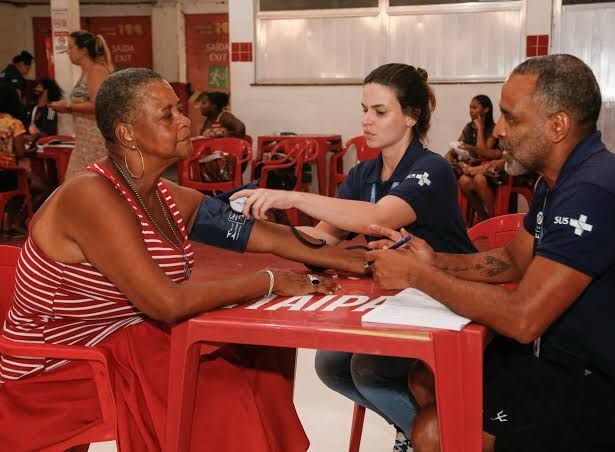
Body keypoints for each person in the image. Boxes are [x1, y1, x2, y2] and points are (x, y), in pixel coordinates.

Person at [0, 68, 369, 451]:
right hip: (59, 364)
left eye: (179, 110)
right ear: (127, 133)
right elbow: (166, 303)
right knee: (219, 388)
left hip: (121, 339)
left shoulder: (163, 194)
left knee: (258, 361)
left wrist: (351, 260)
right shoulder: (91, 196)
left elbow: (259, 235)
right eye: (167, 114)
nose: (183, 121)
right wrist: (269, 282)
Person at [367, 54, 615, 452]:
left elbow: (523, 318)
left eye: (511, 118)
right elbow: (515, 260)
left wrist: (418, 277)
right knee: (425, 378)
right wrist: (433, 260)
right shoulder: (562, 179)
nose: (497, 131)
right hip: (570, 360)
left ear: (557, 126)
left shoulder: (594, 191)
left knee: (435, 431)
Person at [232, 63, 475, 452]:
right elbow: (321, 238)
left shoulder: (431, 169)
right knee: (329, 365)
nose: (366, 120)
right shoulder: (363, 174)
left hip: (451, 297)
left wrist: (292, 196)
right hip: (404, 298)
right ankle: (414, 429)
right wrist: (253, 228)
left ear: (411, 116)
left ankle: (437, 440)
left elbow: (379, 218)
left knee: (369, 370)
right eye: (363, 109)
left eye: (380, 112)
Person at [48, 31, 112, 178]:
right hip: (84, 140)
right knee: (76, 184)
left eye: (71, 47)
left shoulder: (96, 70)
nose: (68, 52)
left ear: (83, 50)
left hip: (95, 138)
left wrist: (68, 107)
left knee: (90, 184)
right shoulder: (86, 72)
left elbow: (97, 105)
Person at [445, 95, 504, 221]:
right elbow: (458, 145)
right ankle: (482, 214)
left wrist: (480, 129)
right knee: (463, 181)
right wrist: (451, 154)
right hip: (471, 168)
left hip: (490, 171)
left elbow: (483, 152)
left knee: (479, 179)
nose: (471, 110)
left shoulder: (493, 129)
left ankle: (492, 218)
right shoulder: (468, 127)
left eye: (475, 107)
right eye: (470, 107)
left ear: (486, 110)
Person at [0, 83, 28, 234]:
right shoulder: (14, 123)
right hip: (6, 174)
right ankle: (13, 223)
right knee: (32, 184)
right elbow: (21, 152)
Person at [27, 78, 63, 144]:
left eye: (39, 86)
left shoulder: (50, 109)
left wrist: (35, 136)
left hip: (44, 145)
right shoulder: (33, 107)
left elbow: (49, 132)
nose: (36, 89)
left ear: (47, 90)